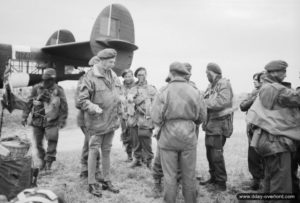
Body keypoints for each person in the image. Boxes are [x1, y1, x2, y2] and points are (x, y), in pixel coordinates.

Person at [150, 62, 206, 203]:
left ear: (171, 73)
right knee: (189, 177)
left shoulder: (163, 91)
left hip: (168, 137)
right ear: (185, 74)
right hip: (188, 137)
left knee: (169, 177)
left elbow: (156, 117)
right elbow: (201, 117)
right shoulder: (195, 91)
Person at [246, 60, 300, 202]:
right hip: (277, 143)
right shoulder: (275, 89)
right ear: (275, 72)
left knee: (270, 182)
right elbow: (296, 99)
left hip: (267, 141)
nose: (286, 74)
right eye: (283, 71)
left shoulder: (265, 87)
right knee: (281, 189)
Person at [77, 48, 121, 197]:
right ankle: (91, 182)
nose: (113, 64)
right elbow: (82, 100)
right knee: (94, 150)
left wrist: (122, 99)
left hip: (111, 120)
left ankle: (107, 179)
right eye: (110, 61)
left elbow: (117, 93)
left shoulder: (113, 75)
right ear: (101, 61)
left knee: (107, 150)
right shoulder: (89, 77)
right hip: (97, 121)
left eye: (114, 61)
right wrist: (92, 107)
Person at [21, 68, 68, 171]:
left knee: (52, 142)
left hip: (52, 121)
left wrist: (62, 120)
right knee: (38, 144)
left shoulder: (58, 90)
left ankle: (48, 164)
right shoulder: (36, 88)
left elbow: (64, 106)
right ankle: (43, 161)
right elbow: (29, 102)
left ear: (53, 80)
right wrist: (24, 116)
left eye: (50, 80)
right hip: (37, 121)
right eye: (46, 80)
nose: (47, 82)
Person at [200, 63, 234, 191]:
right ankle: (213, 178)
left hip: (219, 126)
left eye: (206, 72)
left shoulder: (224, 84)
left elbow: (222, 102)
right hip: (210, 126)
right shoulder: (211, 86)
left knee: (216, 155)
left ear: (211, 72)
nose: (206, 75)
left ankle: (221, 183)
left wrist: (203, 103)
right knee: (210, 154)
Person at [76, 57, 101, 181]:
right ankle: (89, 168)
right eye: (95, 65)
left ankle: (91, 168)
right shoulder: (84, 80)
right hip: (85, 118)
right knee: (90, 143)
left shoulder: (104, 80)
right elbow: (78, 102)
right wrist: (92, 104)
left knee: (93, 143)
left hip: (99, 118)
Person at [240, 72, 265, 190]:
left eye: (256, 80)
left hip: (259, 128)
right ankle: (257, 180)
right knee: (253, 155)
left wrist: (255, 97)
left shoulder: (262, 93)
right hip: (252, 127)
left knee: (256, 155)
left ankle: (259, 182)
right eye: (254, 79)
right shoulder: (255, 92)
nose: (254, 81)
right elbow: (242, 105)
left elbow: (244, 105)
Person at [128, 67, 157, 169]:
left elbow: (156, 104)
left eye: (143, 74)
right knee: (135, 141)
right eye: (139, 75)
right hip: (134, 118)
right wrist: (131, 99)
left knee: (146, 140)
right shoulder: (132, 88)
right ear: (136, 76)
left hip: (145, 118)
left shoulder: (151, 89)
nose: (141, 76)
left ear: (146, 75)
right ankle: (137, 159)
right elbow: (129, 97)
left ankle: (149, 161)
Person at [120, 69, 136, 162]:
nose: (128, 78)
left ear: (133, 76)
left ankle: (138, 155)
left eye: (130, 76)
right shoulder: (120, 88)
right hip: (124, 115)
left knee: (136, 135)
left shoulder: (137, 86)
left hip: (135, 114)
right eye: (126, 76)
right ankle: (129, 155)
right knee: (125, 134)